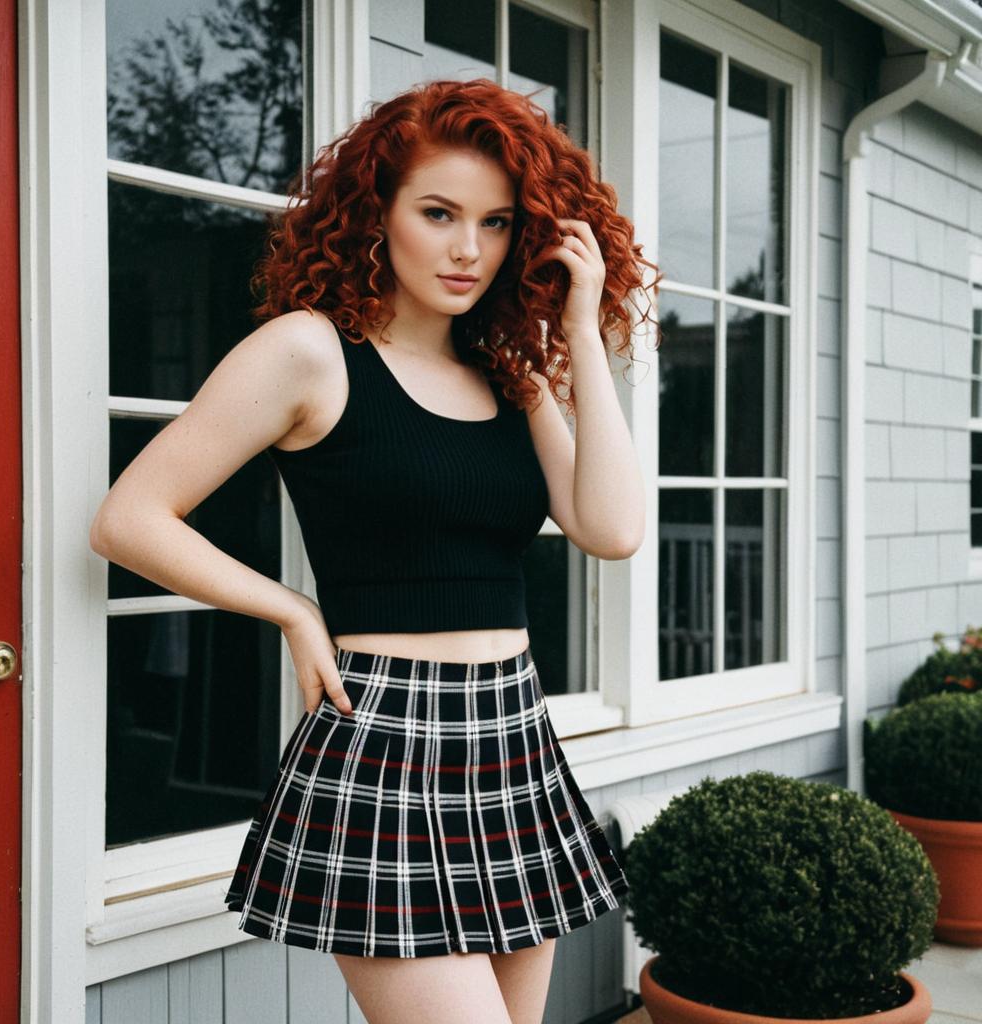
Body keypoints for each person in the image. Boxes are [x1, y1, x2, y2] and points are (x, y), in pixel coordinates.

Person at [89, 77, 660, 1024]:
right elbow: (131, 517)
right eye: (438, 213)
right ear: (378, 211)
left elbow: (613, 529)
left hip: (512, 739)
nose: (468, 248)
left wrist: (579, 326)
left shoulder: (508, 376)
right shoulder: (308, 352)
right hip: (383, 741)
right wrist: (290, 608)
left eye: (498, 222)